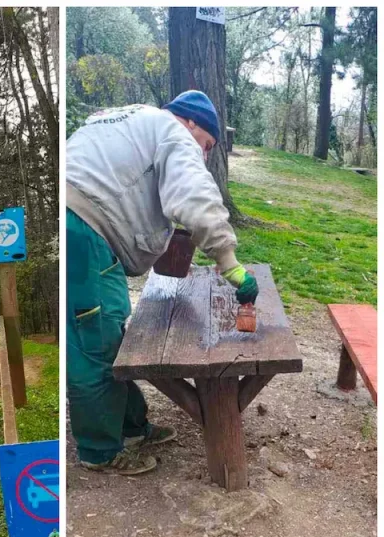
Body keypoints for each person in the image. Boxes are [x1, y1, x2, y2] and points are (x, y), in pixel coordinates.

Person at [66, 90, 259, 476]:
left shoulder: (127, 116)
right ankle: (100, 452)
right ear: (191, 123)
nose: (203, 154)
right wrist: (229, 263)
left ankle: (132, 427)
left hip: (82, 229)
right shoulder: (173, 131)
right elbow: (195, 197)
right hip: (85, 232)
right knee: (97, 345)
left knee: (111, 333)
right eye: (205, 144)